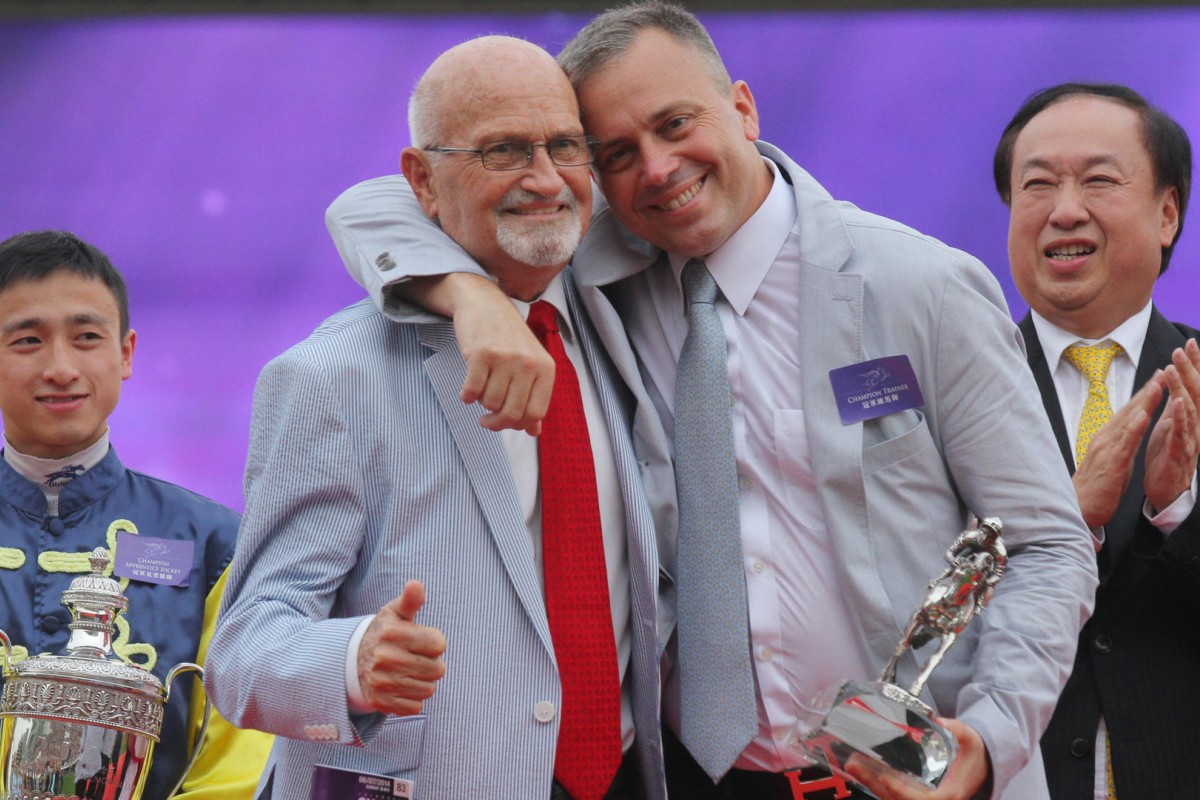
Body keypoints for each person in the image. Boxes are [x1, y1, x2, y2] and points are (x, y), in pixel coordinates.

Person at [324, 4, 1098, 799]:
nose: (657, 169)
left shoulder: (920, 287)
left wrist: (992, 739)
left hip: (907, 774)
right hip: (692, 774)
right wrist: (466, 296)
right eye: (616, 152)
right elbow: (373, 205)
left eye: (676, 123)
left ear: (743, 108)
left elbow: (1047, 547)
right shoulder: (592, 275)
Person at [204, 36, 669, 800]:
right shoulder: (329, 378)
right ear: (421, 179)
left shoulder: (624, 316)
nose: (546, 178)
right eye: (503, 151)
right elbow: (243, 655)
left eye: (564, 146)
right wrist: (353, 659)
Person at [0, 229, 272, 800]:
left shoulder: (214, 543)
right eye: (27, 340)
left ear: (124, 354)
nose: (60, 367)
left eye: (86, 337)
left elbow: (236, 759)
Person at [994, 83, 1200, 800]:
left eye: (1099, 182)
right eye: (1037, 185)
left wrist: (1174, 514)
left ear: (1167, 213)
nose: (1065, 209)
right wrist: (1061, 522)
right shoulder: (953, 390)